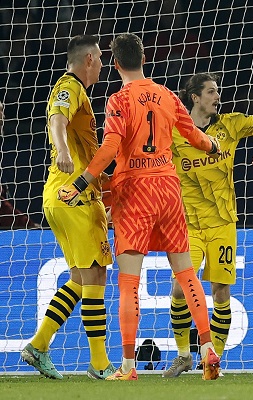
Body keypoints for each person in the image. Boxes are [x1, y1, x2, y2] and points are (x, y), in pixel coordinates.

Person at [57, 33, 222, 381]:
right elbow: (193, 135)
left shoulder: (118, 99)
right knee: (186, 273)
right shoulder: (166, 94)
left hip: (135, 190)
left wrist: (80, 183)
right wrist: (212, 145)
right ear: (144, 58)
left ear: (115, 64)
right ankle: (207, 349)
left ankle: (129, 367)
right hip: (168, 187)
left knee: (129, 282)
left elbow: (108, 148)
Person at [162, 72, 253, 378]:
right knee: (178, 288)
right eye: (211, 91)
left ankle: (212, 361)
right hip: (187, 224)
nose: (217, 96)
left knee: (221, 292)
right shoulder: (173, 132)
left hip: (223, 222)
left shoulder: (231, 124)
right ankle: (184, 354)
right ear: (195, 97)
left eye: (218, 91)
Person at [21, 35, 116, 380]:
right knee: (95, 276)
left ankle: (39, 344)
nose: (104, 65)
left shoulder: (82, 95)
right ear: (89, 59)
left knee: (79, 278)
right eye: (101, 58)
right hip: (71, 195)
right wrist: (61, 150)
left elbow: (85, 154)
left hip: (65, 196)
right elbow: (56, 119)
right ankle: (100, 365)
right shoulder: (70, 86)